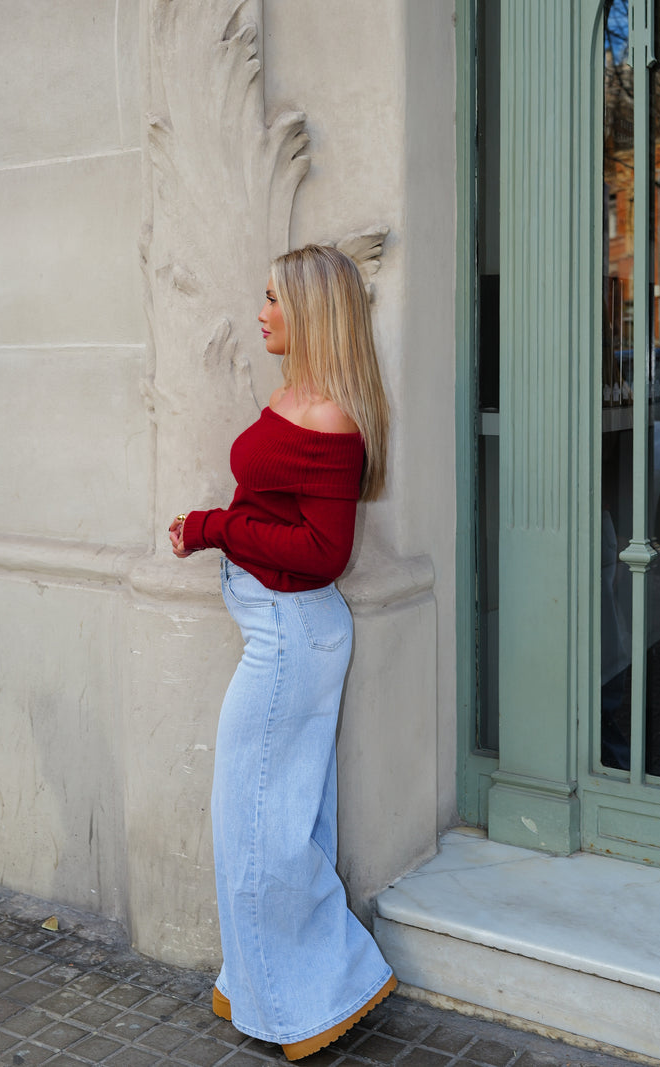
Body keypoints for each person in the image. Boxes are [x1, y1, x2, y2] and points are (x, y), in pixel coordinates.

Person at [169, 244, 395, 1060]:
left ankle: (301, 1007)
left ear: (310, 311)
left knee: (256, 825)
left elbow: (324, 550)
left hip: (290, 635)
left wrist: (214, 528)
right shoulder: (295, 395)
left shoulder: (329, 416)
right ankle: (278, 979)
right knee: (274, 822)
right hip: (280, 626)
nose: (259, 311)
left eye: (272, 297)